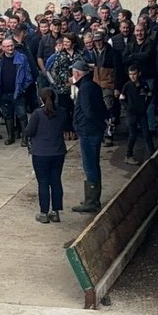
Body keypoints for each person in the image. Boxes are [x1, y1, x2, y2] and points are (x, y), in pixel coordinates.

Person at [26, 88, 71, 223]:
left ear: (41, 99)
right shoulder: (62, 112)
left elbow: (29, 131)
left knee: (43, 182)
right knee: (56, 181)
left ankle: (44, 213)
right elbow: (67, 126)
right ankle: (56, 212)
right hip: (58, 152)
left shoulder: (38, 114)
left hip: (40, 153)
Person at [70, 60, 107, 214]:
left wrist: (82, 125)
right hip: (93, 130)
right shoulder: (94, 86)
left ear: (77, 74)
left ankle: (92, 201)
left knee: (90, 165)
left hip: (88, 131)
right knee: (92, 164)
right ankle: (91, 198)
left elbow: (88, 111)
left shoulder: (85, 89)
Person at [120, 65, 158, 165]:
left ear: (139, 74)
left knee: (146, 133)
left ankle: (152, 153)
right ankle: (128, 155)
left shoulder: (144, 84)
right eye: (130, 74)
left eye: (134, 74)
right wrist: (128, 108)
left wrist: (145, 106)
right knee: (133, 134)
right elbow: (121, 99)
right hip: (131, 114)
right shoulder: (127, 86)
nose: (133, 76)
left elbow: (149, 95)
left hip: (142, 113)